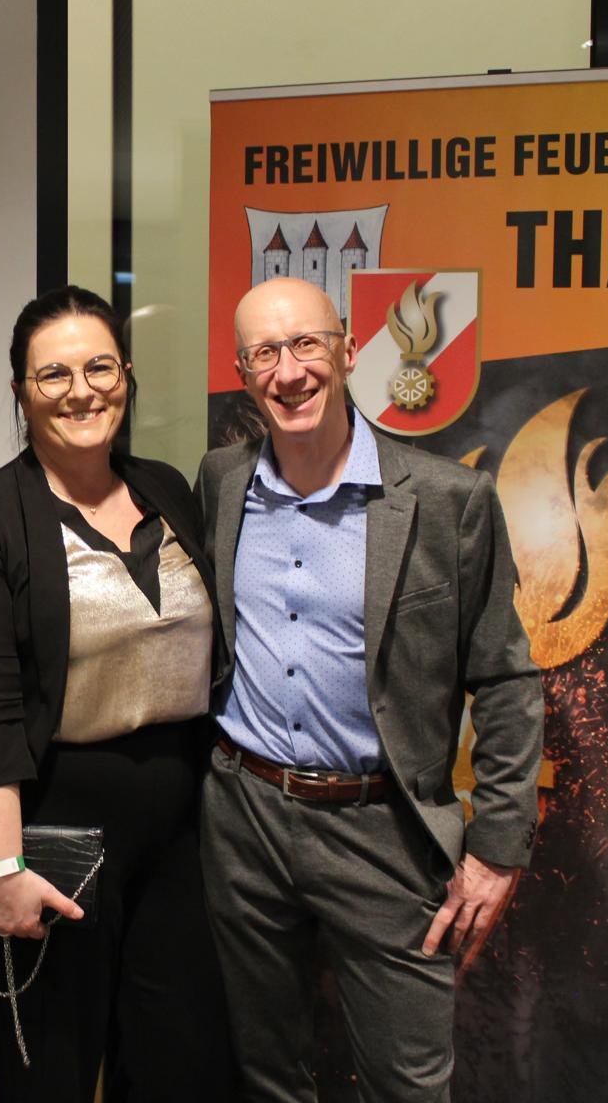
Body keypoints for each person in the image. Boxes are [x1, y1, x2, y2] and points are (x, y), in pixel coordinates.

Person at [195, 275, 543, 1102]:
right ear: (242, 373)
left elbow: (505, 677)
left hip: (383, 829)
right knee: (268, 1072)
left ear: (349, 350)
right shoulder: (221, 481)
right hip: (243, 817)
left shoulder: (449, 500)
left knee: (407, 1083)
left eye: (306, 344)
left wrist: (497, 849)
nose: (289, 372)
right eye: (264, 353)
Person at [0, 285, 235, 1102]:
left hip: (186, 832)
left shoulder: (169, 488)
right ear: (21, 391)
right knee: (51, 1075)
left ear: (126, 377)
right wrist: (1, 866)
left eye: (100, 367)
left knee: (181, 1069)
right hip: (54, 828)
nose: (81, 391)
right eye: (53, 374)